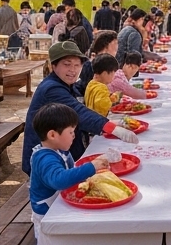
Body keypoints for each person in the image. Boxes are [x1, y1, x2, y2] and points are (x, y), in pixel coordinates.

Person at [21, 41, 139, 177]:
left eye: (77, 65)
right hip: (44, 162)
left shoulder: (66, 84)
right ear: (54, 66)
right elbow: (78, 111)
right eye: (67, 64)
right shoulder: (52, 89)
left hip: (61, 151)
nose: (73, 70)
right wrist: (113, 128)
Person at [28, 102, 111, 245]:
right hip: (48, 214)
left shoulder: (57, 150)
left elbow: (71, 170)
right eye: (71, 132)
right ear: (52, 135)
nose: (74, 136)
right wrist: (91, 167)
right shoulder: (45, 158)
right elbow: (59, 180)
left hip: (59, 204)